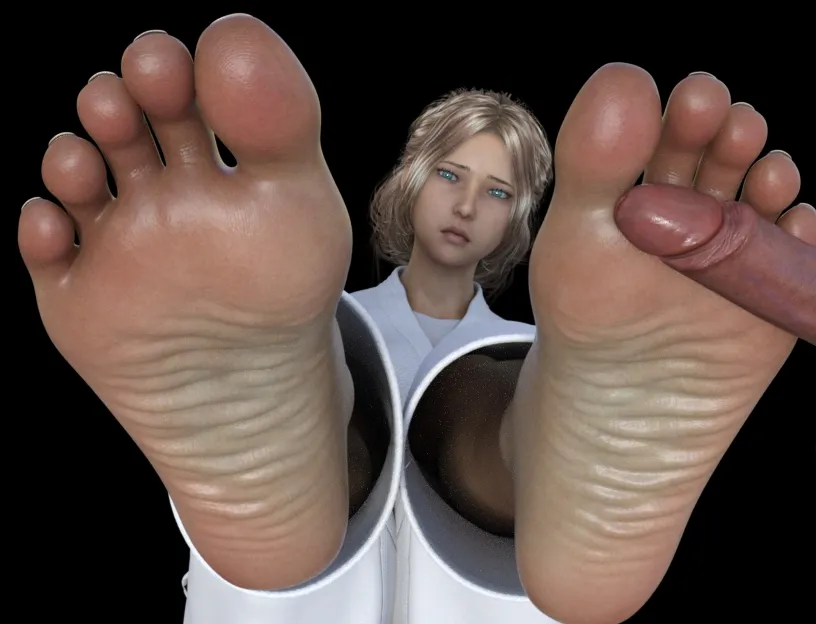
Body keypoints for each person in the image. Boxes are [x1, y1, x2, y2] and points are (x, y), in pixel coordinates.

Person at [17, 14, 813, 624]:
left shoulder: (559, 351)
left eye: (497, 192)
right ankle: (326, 445)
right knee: (368, 382)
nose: (467, 205)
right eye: (450, 175)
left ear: (518, 219)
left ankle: (512, 456)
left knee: (487, 396)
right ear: (411, 178)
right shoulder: (297, 312)